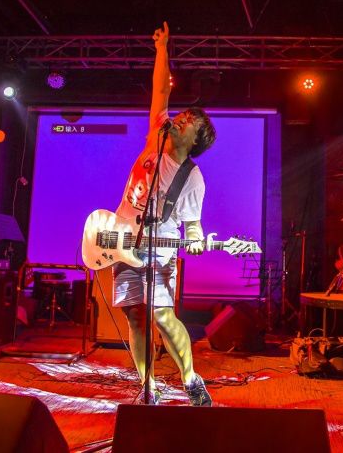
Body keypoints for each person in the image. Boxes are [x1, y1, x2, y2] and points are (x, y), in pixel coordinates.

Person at [111, 22, 216, 406]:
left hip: (161, 249)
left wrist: (198, 241)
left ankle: (189, 377)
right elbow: (160, 91)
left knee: (162, 317)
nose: (182, 119)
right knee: (135, 317)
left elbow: (193, 226)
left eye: (191, 122)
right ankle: (148, 386)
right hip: (124, 239)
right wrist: (161, 49)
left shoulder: (192, 177)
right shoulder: (156, 136)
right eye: (183, 115)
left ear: (196, 140)